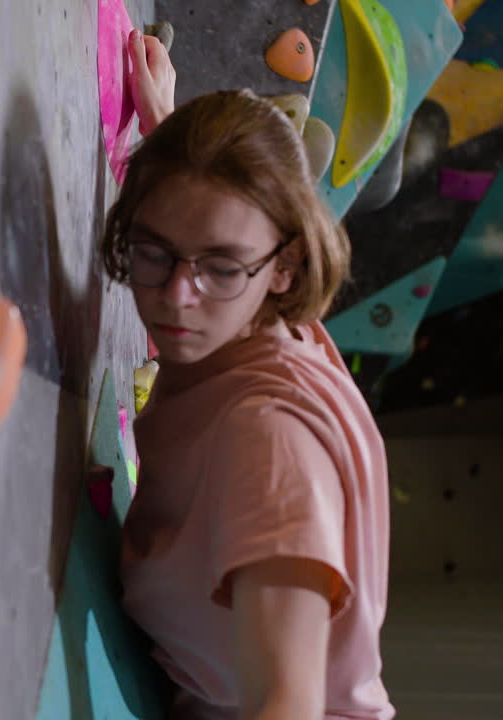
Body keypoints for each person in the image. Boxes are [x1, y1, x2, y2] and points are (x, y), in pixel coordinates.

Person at [108, 29, 394, 720]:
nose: (178, 296)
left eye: (220, 267)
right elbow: (211, 222)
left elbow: (286, 706)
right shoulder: (264, 315)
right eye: (155, 252)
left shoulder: (268, 444)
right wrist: (169, 132)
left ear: (285, 267)